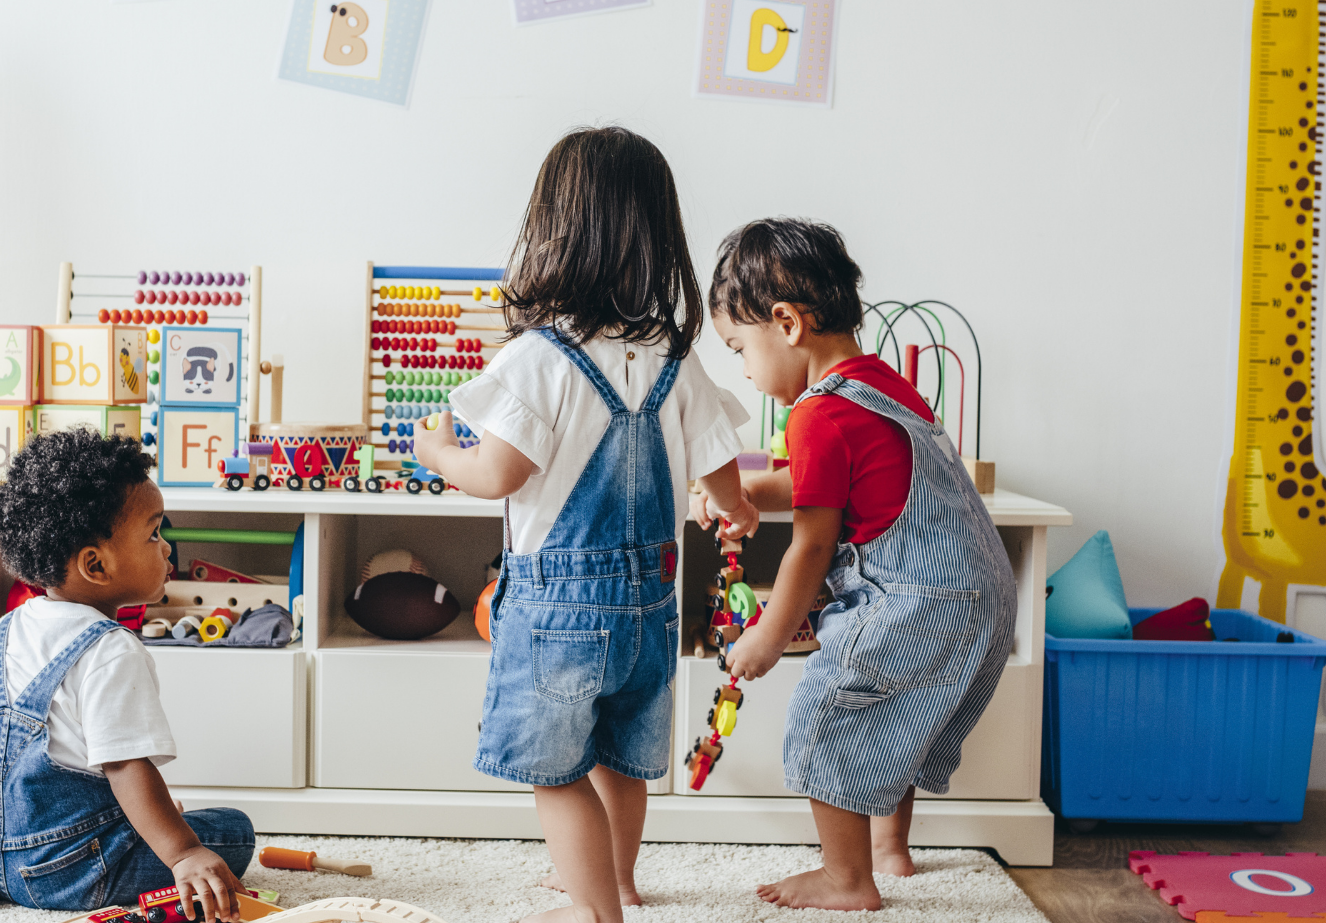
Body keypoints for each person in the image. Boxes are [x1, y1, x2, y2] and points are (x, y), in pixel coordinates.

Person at [415, 126, 758, 923]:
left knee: (556, 772)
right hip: (651, 606)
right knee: (620, 760)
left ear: (556, 233)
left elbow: (495, 474)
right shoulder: (676, 356)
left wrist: (438, 451)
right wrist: (730, 510)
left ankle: (599, 913)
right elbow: (723, 476)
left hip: (560, 610)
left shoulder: (541, 355)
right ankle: (622, 882)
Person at [699, 218, 1015, 911]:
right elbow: (831, 480)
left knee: (828, 714)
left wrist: (770, 634)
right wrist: (750, 489)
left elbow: (812, 542)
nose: (746, 373)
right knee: (892, 717)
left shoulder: (813, 416)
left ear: (785, 324)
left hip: (919, 596)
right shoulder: (881, 386)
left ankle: (846, 880)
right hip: (980, 593)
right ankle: (888, 849)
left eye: (739, 350)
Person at [0, 429, 254, 917]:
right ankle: (166, 844)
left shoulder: (1, 631)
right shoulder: (111, 651)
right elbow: (126, 767)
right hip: (73, 873)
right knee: (232, 832)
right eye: (153, 533)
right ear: (95, 564)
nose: (166, 549)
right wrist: (183, 852)